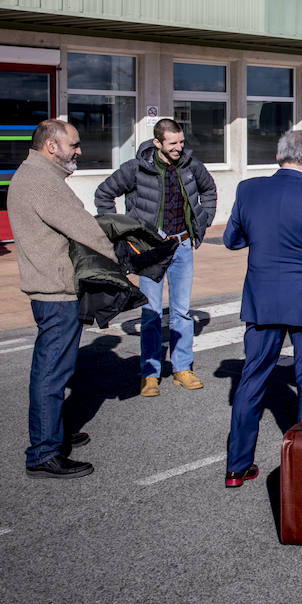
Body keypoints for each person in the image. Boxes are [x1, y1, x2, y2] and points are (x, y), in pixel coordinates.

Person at [223, 130, 302, 488]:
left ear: (280, 156)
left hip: (262, 297)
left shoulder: (248, 191)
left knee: (253, 376)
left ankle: (237, 465)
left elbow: (233, 239)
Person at [8, 120, 118, 479]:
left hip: (49, 285)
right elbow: (84, 227)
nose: (79, 151)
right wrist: (119, 260)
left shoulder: (32, 174)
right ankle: (42, 453)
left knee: (55, 369)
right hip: (54, 292)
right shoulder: (42, 181)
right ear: (51, 146)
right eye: (74, 144)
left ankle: (53, 434)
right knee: (52, 373)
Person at [94, 118, 217, 398]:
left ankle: (182, 368)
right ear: (157, 143)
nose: (179, 148)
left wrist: (203, 219)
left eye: (181, 142)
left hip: (183, 245)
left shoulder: (191, 165)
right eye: (173, 143)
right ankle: (149, 374)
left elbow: (209, 190)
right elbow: (104, 193)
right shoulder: (136, 169)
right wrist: (123, 232)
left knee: (182, 312)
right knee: (150, 313)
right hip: (151, 251)